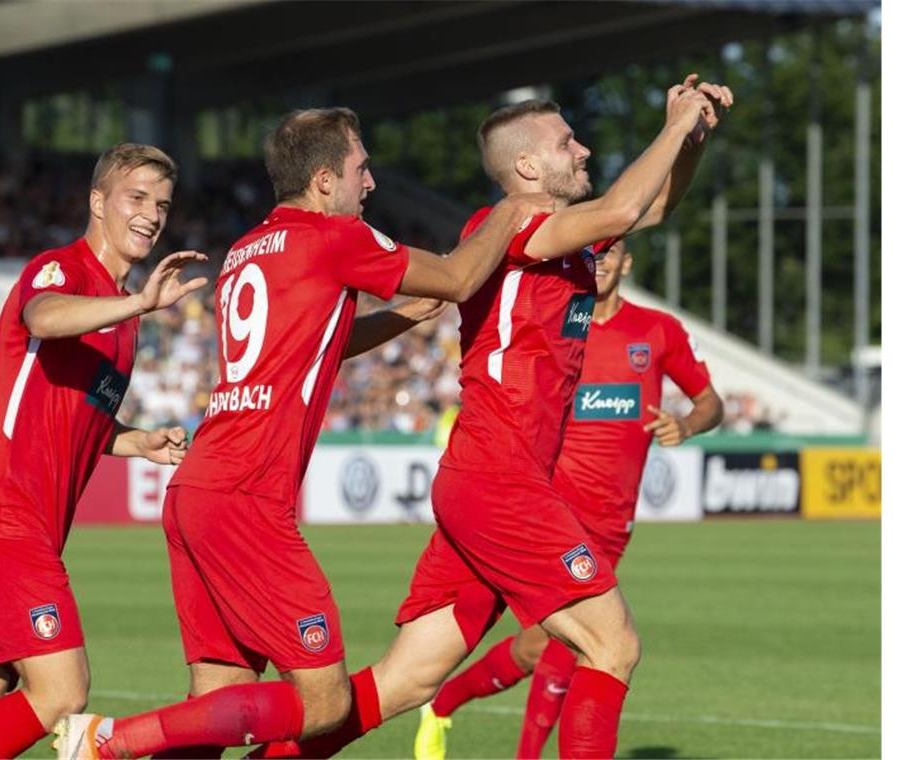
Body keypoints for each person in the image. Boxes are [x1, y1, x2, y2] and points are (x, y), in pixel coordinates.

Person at [248, 74, 732, 760]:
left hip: (483, 482)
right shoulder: (517, 224)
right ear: (528, 168)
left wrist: (692, 141)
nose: (585, 150)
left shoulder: (561, 234)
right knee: (612, 646)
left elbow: (648, 210)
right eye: (569, 142)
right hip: (500, 482)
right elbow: (624, 208)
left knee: (405, 680)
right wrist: (674, 124)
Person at [53, 107, 555, 760]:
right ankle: (111, 739)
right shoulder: (335, 237)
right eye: (361, 168)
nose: (370, 183)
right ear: (324, 181)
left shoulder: (251, 247)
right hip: (247, 499)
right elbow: (461, 277)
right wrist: (512, 210)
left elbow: (320, 342)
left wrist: (401, 318)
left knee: (218, 701)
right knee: (325, 701)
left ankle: (118, 742)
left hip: (197, 492)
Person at [0, 142, 209, 759]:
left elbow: (77, 413)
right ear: (97, 202)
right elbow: (42, 316)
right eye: (136, 197)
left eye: (162, 204)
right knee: (63, 693)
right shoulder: (61, 268)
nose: (151, 214)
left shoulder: (124, 317)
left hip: (16, 523)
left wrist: (136, 440)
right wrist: (138, 301)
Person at [414, 238, 724, 759]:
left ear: (626, 263)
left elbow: (710, 401)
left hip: (613, 522)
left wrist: (688, 424)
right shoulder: (560, 327)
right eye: (592, 255)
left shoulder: (656, 331)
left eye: (610, 255)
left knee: (539, 648)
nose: (599, 264)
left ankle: (443, 704)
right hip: (551, 512)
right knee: (573, 649)